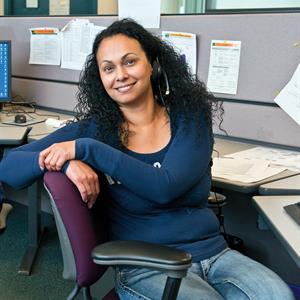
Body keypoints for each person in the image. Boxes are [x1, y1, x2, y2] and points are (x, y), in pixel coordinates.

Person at [0, 19, 294, 300]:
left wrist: (84, 150)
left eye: (130, 61)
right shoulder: (96, 130)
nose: (121, 75)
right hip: (145, 264)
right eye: (108, 68)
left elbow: (164, 187)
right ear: (100, 79)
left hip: (215, 255)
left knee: (277, 295)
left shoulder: (188, 118)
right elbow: (9, 168)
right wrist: (65, 161)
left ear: (152, 64)